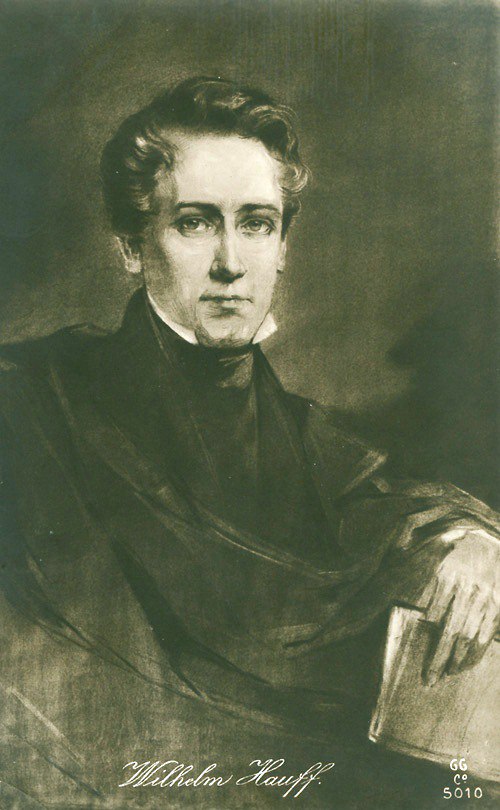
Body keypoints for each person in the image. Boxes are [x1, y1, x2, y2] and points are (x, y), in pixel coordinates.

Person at [0, 76, 498, 808]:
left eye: (257, 224)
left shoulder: (305, 434)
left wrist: (473, 539)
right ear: (132, 247)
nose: (231, 262)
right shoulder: (29, 404)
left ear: (283, 247)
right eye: (195, 223)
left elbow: (391, 508)